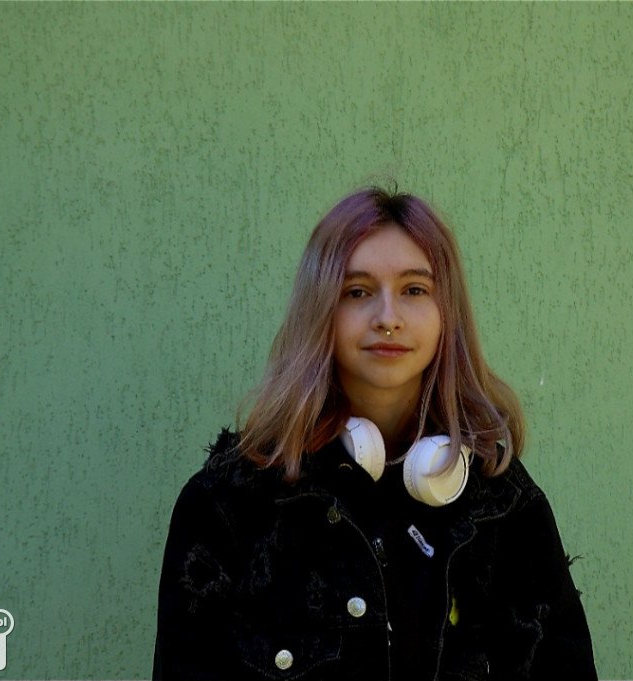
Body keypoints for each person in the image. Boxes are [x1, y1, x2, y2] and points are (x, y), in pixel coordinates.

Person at [153, 188, 596, 680]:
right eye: (357, 292)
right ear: (320, 309)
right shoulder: (228, 505)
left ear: (447, 314)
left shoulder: (503, 506)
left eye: (415, 290)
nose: (388, 318)